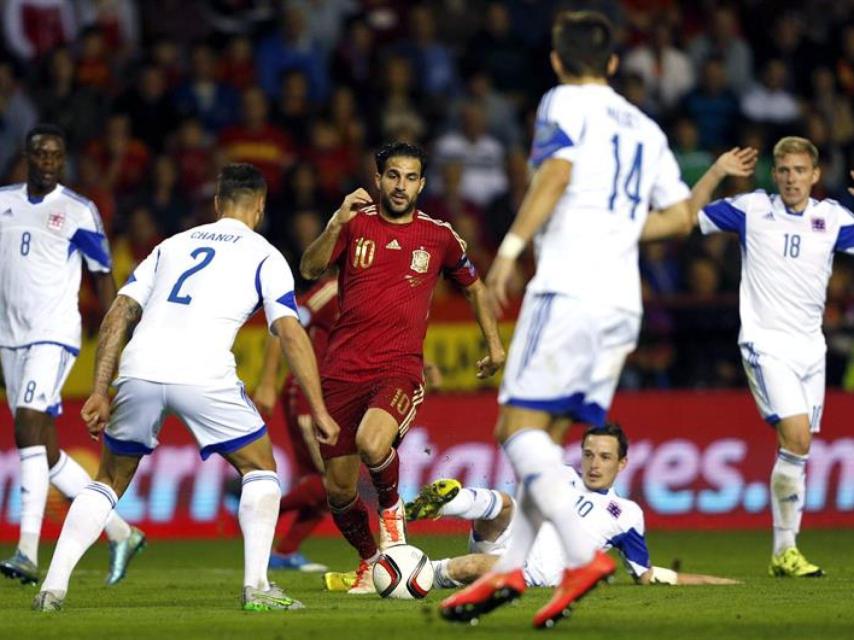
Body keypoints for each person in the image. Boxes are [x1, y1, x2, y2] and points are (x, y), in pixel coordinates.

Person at [441, 12, 696, 629]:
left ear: (557, 61)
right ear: (612, 64)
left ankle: (582, 560)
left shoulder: (562, 102)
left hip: (567, 289)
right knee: (548, 448)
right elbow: (683, 216)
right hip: (621, 305)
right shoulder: (646, 128)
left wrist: (507, 250)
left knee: (515, 429)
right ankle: (512, 569)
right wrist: (615, 230)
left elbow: (555, 172)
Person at [32, 163, 340, 612]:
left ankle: (52, 588)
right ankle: (257, 587)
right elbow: (291, 333)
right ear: (260, 207)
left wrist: (101, 389)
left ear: (217, 205)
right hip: (203, 372)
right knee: (260, 469)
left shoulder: (171, 245)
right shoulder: (266, 254)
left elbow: (119, 312)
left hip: (138, 368)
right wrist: (319, 407)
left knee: (109, 480)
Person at [299, 141, 505, 594]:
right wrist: (335, 221)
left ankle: (392, 518)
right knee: (338, 491)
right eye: (393, 176)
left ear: (422, 184)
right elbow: (310, 268)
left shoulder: (439, 236)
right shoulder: (355, 224)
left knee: (373, 444)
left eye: (411, 177)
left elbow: (474, 288)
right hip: (340, 373)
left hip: (397, 369)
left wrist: (494, 345)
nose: (401, 185)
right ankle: (373, 564)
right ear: (378, 179)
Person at [691, 137, 854, 578]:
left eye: (800, 171)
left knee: (798, 449)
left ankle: (785, 552)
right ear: (774, 174)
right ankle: (785, 550)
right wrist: (717, 172)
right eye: (783, 171)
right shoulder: (752, 209)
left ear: (815, 175)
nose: (791, 179)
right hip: (766, 343)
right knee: (797, 438)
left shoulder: (833, 218)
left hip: (811, 350)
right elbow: (687, 216)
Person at [0, 124, 143, 587]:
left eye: (55, 155)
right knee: (44, 443)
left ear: (62, 161)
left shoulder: (78, 211)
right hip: (8, 337)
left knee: (25, 424)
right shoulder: (3, 203)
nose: (46, 161)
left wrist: (113, 336)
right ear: (27, 156)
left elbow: (102, 275)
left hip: (53, 334)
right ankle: (122, 533)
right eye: (39, 153)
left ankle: (26, 551)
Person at [405, 424, 739, 589]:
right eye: (589, 454)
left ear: (622, 463)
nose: (595, 464)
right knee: (506, 502)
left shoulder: (626, 513)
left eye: (605, 457)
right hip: (511, 541)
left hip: (536, 571)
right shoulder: (562, 474)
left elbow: (644, 575)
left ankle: (409, 572)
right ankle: (436, 506)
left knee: (469, 566)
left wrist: (711, 581)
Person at [253, 276, 340, 572]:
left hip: (331, 397)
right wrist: (267, 381)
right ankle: (255, 509)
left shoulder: (372, 291)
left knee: (328, 487)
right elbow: (284, 322)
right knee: (336, 482)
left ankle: (284, 551)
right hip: (306, 395)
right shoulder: (332, 290)